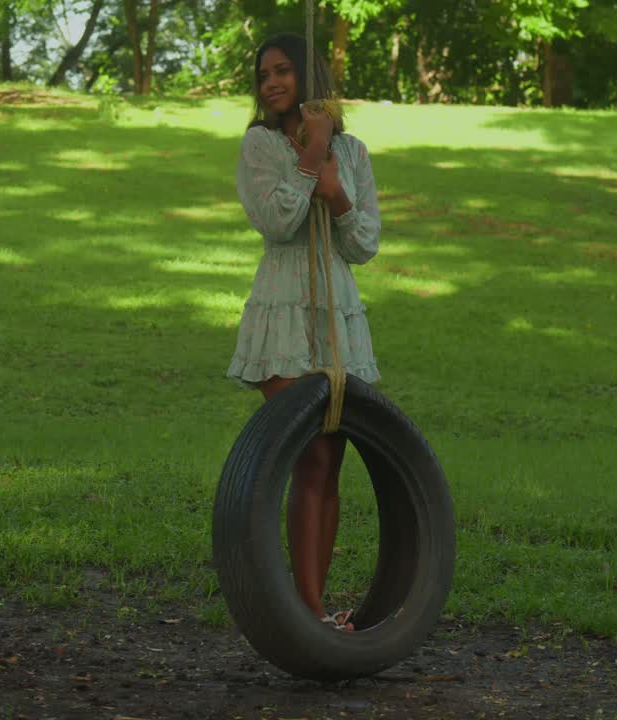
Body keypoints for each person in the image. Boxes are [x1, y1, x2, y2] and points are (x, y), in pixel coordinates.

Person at [225, 32, 382, 632]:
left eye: (282, 71)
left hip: (336, 312)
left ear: (307, 75)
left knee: (328, 461)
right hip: (284, 308)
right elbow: (278, 220)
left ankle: (314, 610)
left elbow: (363, 245)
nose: (270, 83)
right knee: (305, 453)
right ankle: (308, 613)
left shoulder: (356, 152)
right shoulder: (260, 145)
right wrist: (311, 154)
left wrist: (337, 192)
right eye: (263, 75)